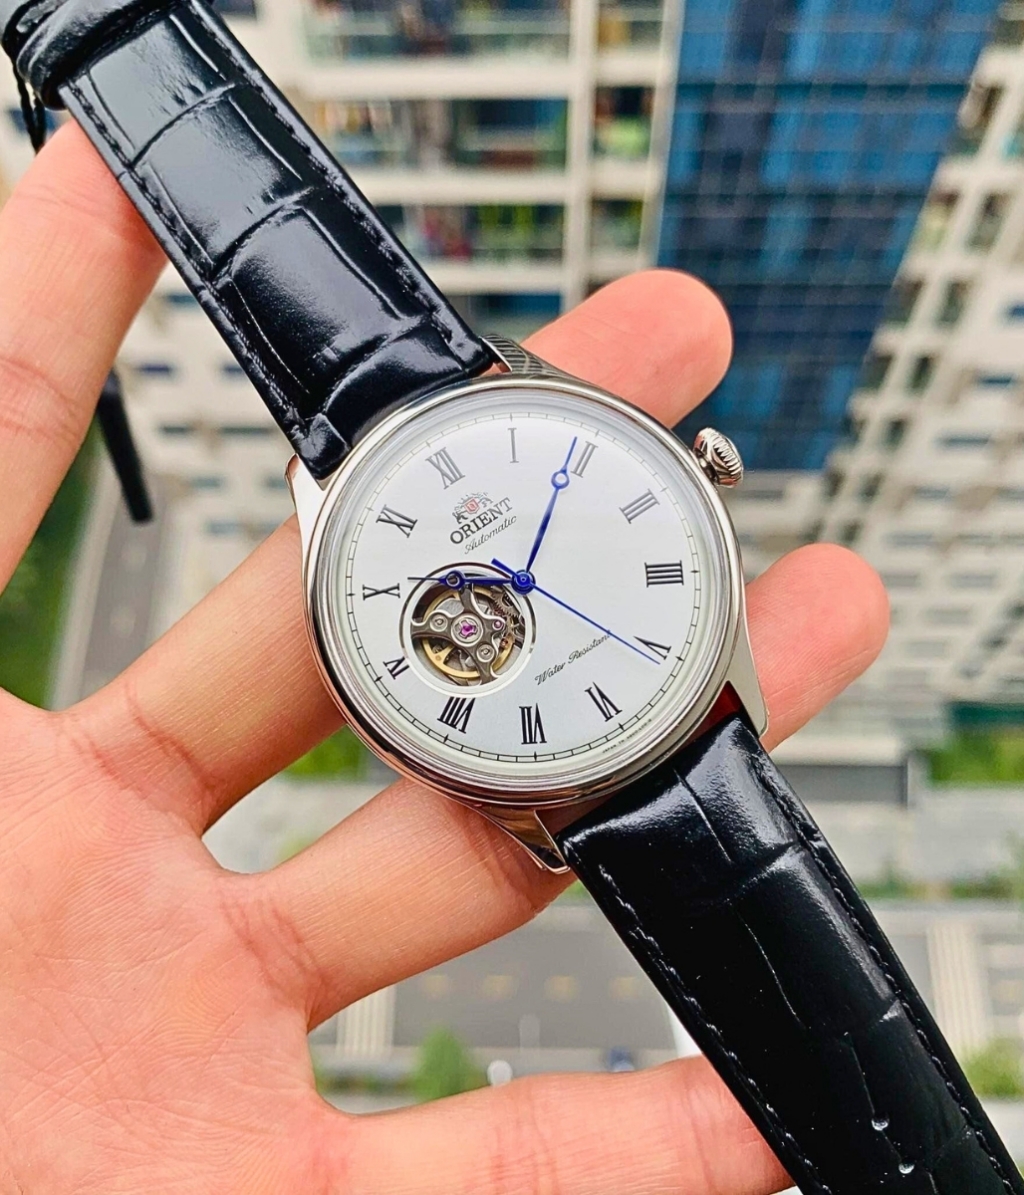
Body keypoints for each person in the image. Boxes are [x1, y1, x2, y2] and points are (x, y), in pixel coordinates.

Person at [0, 123, 889, 1193]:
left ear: (703, 470)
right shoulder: (408, 573)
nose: (507, 592)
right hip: (582, 762)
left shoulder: (560, 459)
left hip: (679, 712)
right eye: (485, 603)